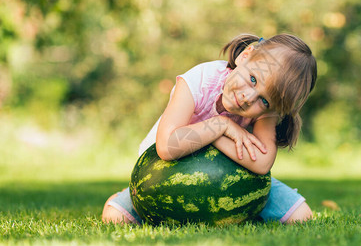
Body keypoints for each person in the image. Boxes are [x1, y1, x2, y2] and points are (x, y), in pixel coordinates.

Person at [102, 33, 317, 224]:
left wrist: (215, 136)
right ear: (245, 56)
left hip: (231, 179)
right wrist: (221, 125)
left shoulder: (266, 112)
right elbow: (167, 147)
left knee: (302, 216)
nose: (248, 98)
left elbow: (262, 163)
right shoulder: (200, 80)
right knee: (114, 218)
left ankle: (245, 211)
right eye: (252, 79)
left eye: (265, 101)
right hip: (169, 171)